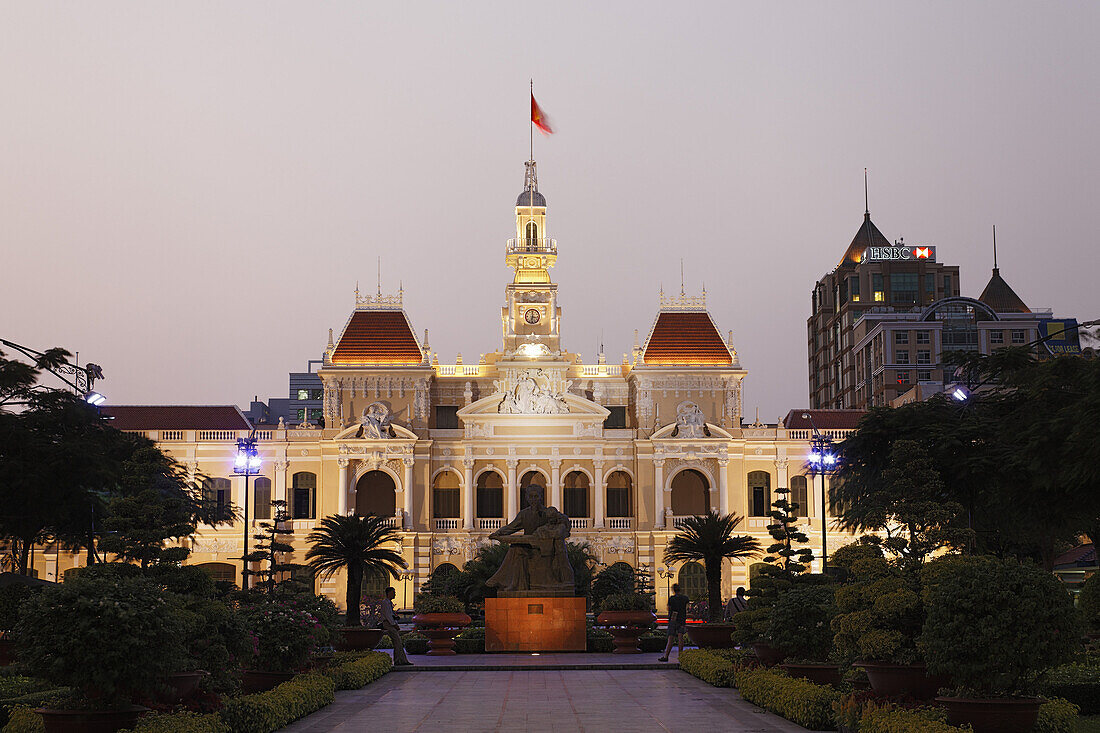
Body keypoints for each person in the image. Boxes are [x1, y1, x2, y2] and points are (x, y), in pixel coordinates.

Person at [659, 583, 690, 662]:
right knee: (680, 638)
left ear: (673, 590)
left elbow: (668, 608)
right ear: (680, 589)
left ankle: (666, 656)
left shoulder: (671, 599)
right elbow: (687, 608)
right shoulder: (685, 598)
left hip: (673, 619)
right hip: (682, 619)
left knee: (670, 638)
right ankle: (681, 656)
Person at [382, 586, 412, 666]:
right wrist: (394, 625)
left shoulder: (389, 603)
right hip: (388, 625)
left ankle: (401, 660)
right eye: (393, 592)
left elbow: (390, 615)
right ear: (389, 593)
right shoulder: (385, 603)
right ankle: (399, 661)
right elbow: (388, 616)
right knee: (397, 642)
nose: (395, 594)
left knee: (398, 643)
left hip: (390, 624)